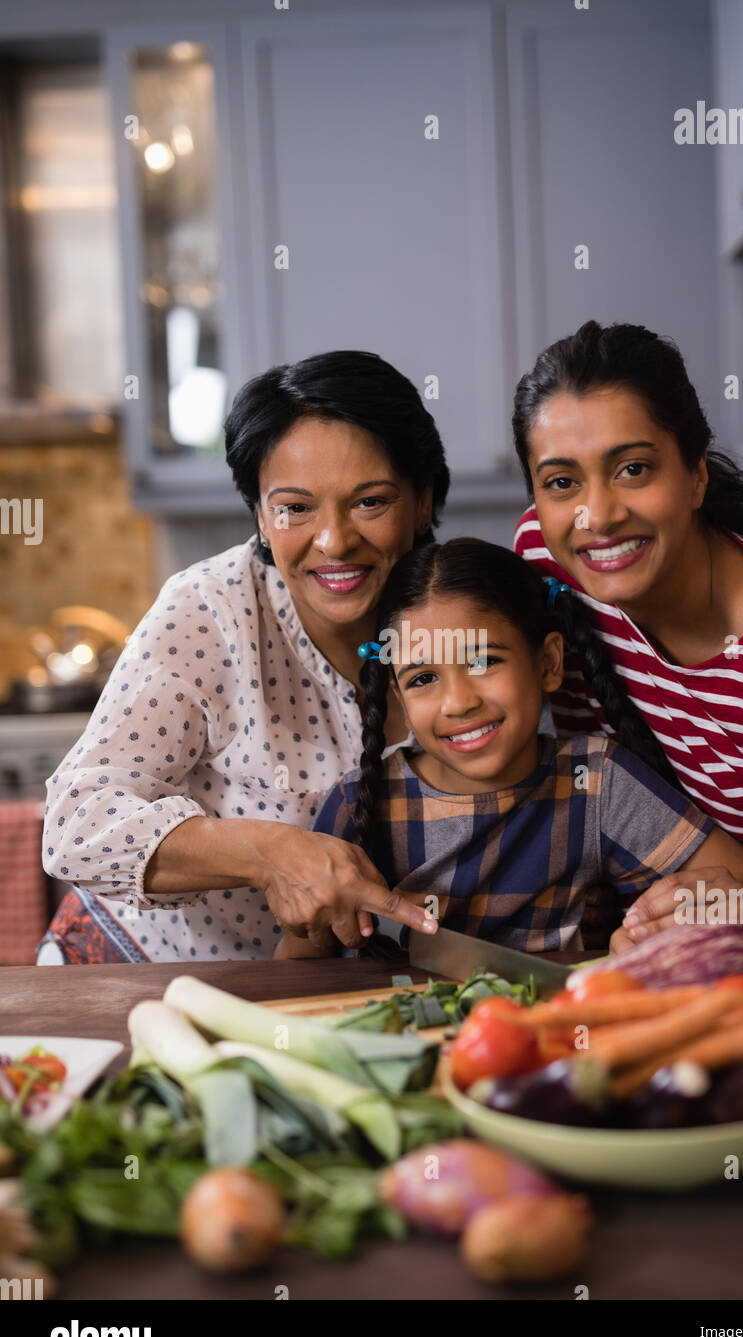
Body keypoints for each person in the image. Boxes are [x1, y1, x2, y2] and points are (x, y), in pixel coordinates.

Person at [39, 350, 448, 963]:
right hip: (137, 974)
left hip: (317, 998)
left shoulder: (463, 611)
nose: (334, 541)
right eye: (294, 508)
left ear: (422, 502)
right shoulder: (211, 612)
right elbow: (75, 826)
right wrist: (269, 852)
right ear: (260, 514)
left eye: (371, 502)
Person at [512, 319, 743, 981]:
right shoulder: (546, 560)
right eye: (562, 482)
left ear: (696, 476)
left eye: (633, 469)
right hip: (690, 944)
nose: (598, 516)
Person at [310, 538, 743, 954]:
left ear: (547, 663)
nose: (457, 702)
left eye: (482, 661)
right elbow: (297, 965)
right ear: (397, 694)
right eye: (424, 678)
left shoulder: (597, 782)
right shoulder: (359, 804)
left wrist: (678, 921)